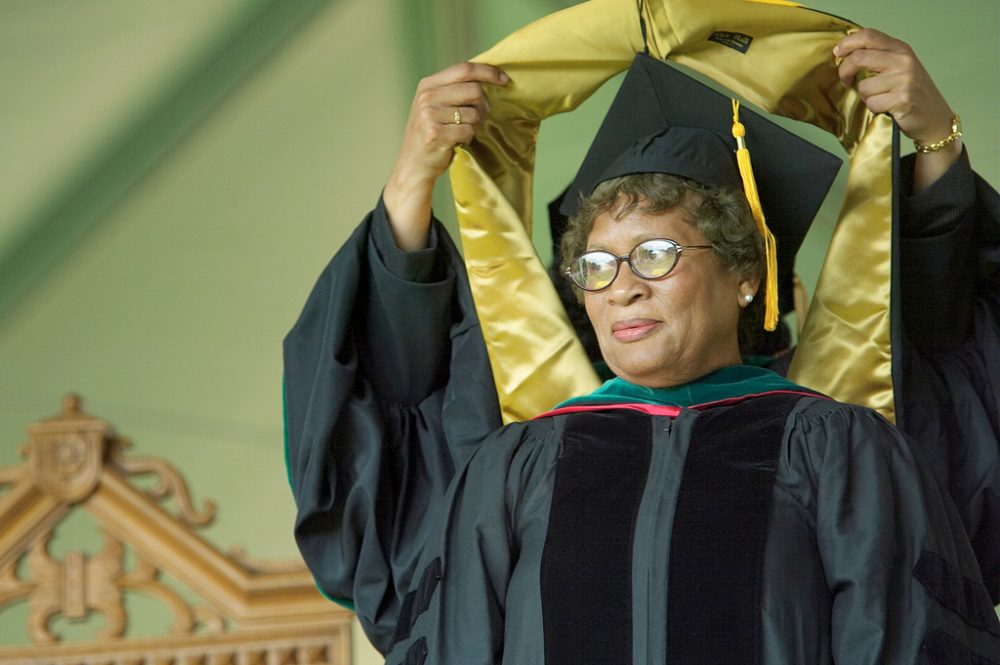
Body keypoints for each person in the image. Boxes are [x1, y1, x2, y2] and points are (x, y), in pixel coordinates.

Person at [283, 27, 1000, 665]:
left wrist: (933, 138)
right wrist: (414, 178)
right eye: (596, 265)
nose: (621, 286)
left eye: (656, 252)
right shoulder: (516, 466)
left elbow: (940, 343)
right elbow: (395, 397)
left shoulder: (838, 446)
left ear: (745, 274)